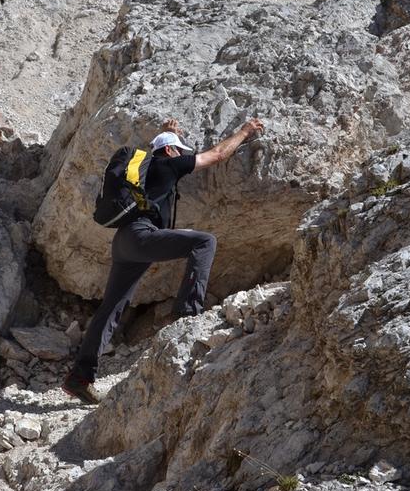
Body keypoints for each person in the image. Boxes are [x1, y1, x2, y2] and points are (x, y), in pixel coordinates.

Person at [63, 117, 265, 404]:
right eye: (181, 151)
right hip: (142, 235)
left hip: (124, 241)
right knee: (204, 241)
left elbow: (160, 151)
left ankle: (79, 377)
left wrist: (168, 134)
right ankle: (188, 314)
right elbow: (217, 155)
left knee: (111, 307)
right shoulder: (170, 163)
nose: (185, 157)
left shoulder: (149, 168)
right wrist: (244, 132)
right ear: (171, 153)